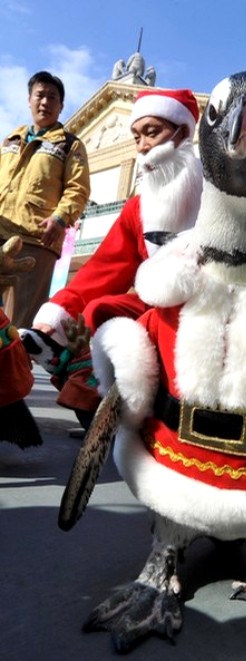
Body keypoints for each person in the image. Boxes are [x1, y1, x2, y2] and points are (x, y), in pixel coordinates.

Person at [20, 87, 203, 426]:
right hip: (155, 306)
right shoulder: (138, 208)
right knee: (98, 311)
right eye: (136, 137)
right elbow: (104, 269)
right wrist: (55, 318)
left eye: (152, 132)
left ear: (183, 132)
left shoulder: (217, 197)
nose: (143, 146)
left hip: (210, 307)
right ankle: (90, 397)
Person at [0, 71, 90, 328]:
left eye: (53, 98)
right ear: (29, 99)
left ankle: (15, 369)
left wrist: (61, 219)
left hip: (35, 242)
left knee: (18, 324)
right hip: (0, 232)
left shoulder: (69, 145)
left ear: (61, 107)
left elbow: (78, 189)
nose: (45, 102)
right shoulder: (10, 140)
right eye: (40, 95)